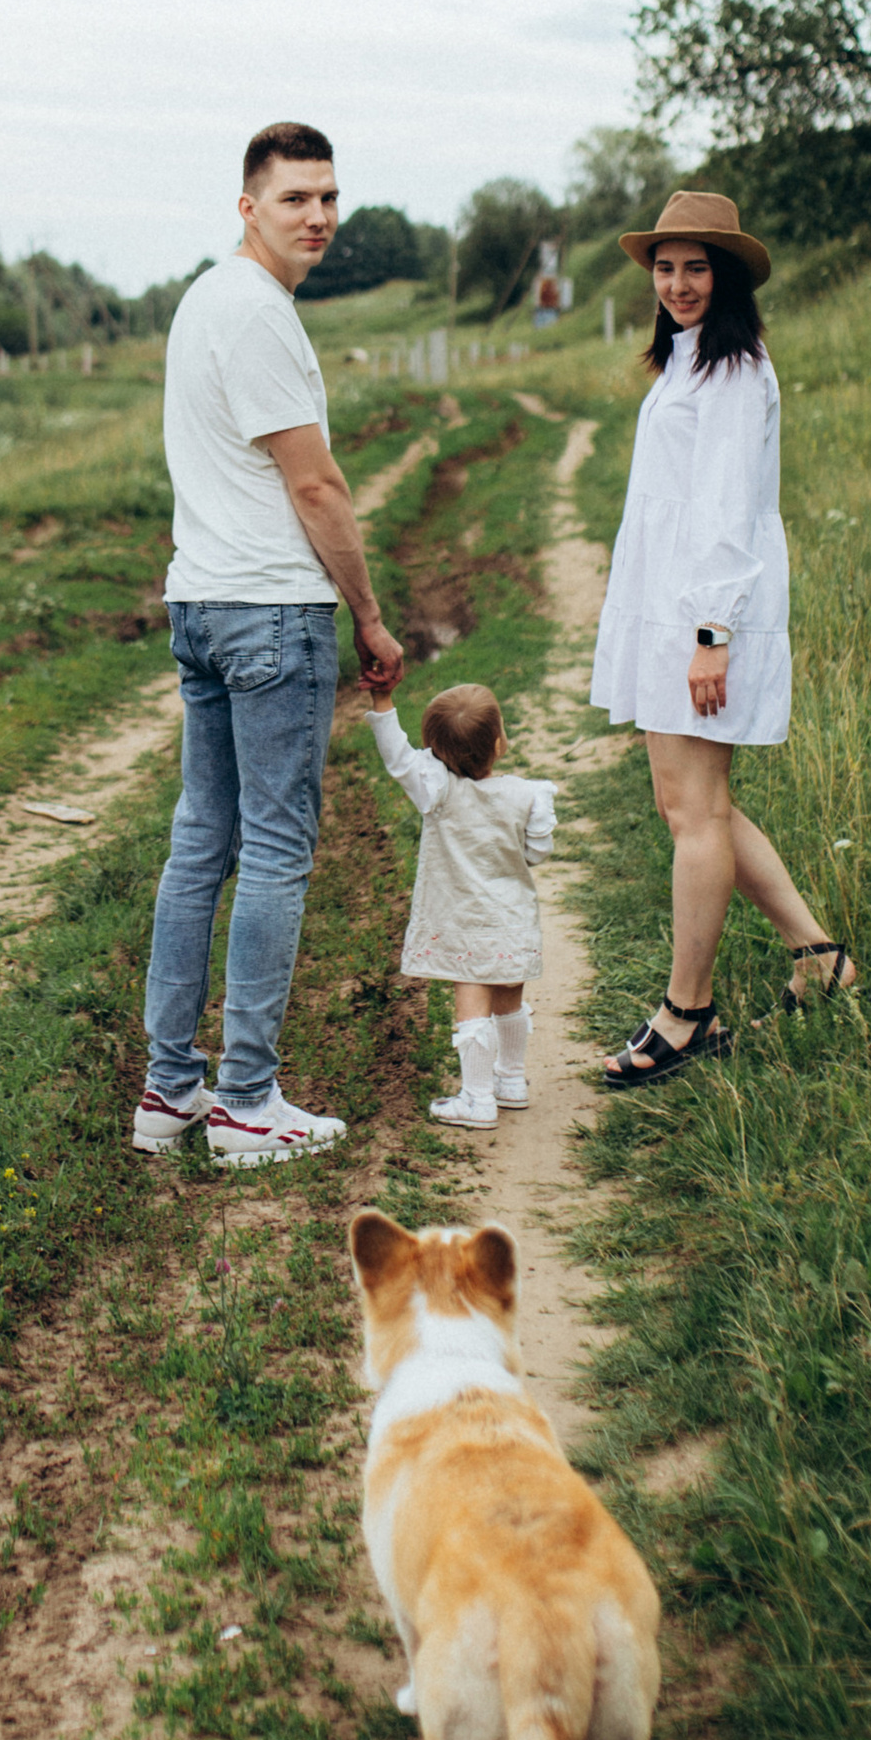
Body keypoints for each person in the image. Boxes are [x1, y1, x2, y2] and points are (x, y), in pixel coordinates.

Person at [131, 122, 406, 1167]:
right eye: (296, 198)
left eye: (330, 197)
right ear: (248, 207)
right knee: (277, 850)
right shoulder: (256, 315)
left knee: (201, 842)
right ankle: (245, 1101)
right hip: (267, 613)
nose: (320, 217)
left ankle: (170, 1092)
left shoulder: (210, 298)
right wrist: (370, 618)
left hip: (201, 602)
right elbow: (315, 484)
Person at [588, 189, 855, 1081]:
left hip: (702, 614)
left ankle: (686, 1013)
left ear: (726, 273)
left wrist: (712, 631)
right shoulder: (688, 361)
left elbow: (731, 512)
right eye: (664, 268)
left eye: (695, 267)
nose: (676, 284)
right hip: (673, 606)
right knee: (694, 808)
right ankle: (821, 958)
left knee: (694, 813)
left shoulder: (736, 368)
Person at [360, 676, 554, 1128]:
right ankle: (511, 1080)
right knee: (509, 999)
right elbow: (537, 852)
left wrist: (383, 700)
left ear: (434, 750)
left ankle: (478, 1096)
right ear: (500, 743)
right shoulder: (527, 795)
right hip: (511, 921)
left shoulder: (438, 793)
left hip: (463, 921)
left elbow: (397, 757)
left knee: (472, 1005)